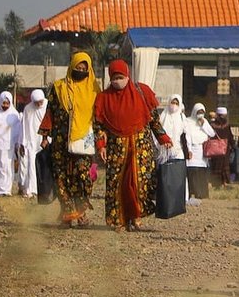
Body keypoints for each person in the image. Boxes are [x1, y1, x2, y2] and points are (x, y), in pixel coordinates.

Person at [93, 59, 165, 231]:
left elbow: (154, 120)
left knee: (139, 183)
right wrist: (101, 145)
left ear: (127, 76)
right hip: (117, 151)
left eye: (121, 77)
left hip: (141, 149)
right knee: (117, 185)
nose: (117, 81)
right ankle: (119, 220)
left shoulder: (142, 92)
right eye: (114, 78)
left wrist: (164, 138)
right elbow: (98, 126)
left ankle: (136, 217)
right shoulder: (104, 98)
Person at [40, 52, 100, 225]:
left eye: (84, 69)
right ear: (71, 67)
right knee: (61, 177)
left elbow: (98, 115)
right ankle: (68, 214)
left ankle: (81, 212)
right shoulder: (59, 87)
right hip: (60, 140)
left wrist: (101, 138)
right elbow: (49, 112)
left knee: (83, 176)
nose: (80, 71)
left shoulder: (95, 89)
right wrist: (45, 136)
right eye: (77, 68)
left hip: (84, 140)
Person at [17, 89, 48, 198]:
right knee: (31, 165)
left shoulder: (48, 106)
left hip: (45, 140)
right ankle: (32, 189)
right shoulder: (28, 109)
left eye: (40, 101)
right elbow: (24, 127)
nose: (39, 104)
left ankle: (46, 190)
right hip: (31, 141)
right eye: (36, 102)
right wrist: (22, 142)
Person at [183, 103, 212, 201]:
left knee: (201, 172)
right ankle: (192, 193)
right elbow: (188, 137)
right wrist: (189, 150)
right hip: (193, 150)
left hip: (202, 151)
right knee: (192, 172)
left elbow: (211, 133)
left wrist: (203, 124)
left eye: (202, 112)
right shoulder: (188, 121)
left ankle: (201, 193)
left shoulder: (205, 121)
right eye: (199, 112)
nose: (200, 114)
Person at [157, 94, 189, 164]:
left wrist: (189, 150)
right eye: (173, 103)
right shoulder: (163, 116)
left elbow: (186, 134)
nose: (174, 105)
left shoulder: (182, 117)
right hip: (164, 152)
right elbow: (157, 132)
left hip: (178, 152)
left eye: (177, 103)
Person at [209, 107, 235, 186]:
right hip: (225, 149)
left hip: (215, 148)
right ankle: (225, 182)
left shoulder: (212, 125)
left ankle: (216, 182)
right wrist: (233, 145)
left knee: (216, 165)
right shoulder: (227, 125)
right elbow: (230, 136)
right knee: (224, 165)